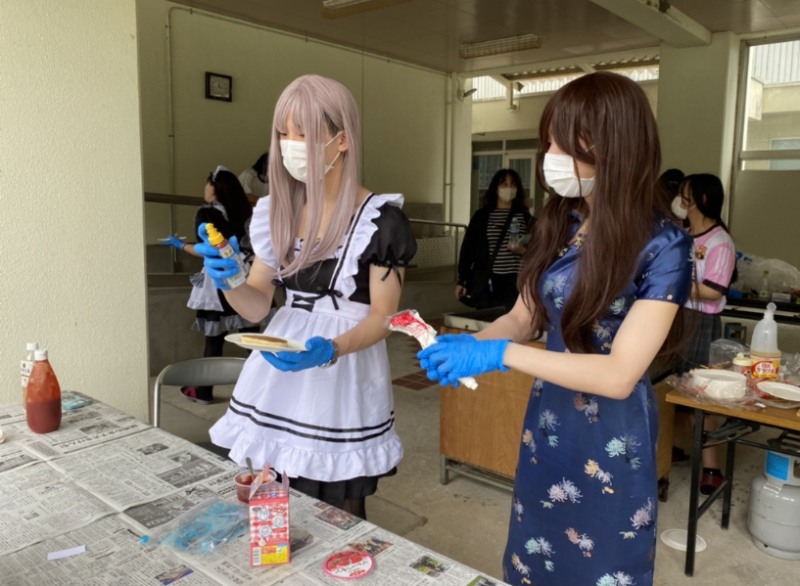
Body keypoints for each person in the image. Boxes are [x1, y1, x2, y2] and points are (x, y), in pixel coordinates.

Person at [418, 72, 693, 586]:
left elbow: (619, 375)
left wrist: (500, 355)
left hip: (612, 436)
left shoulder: (664, 246)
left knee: (602, 564)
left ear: (614, 146)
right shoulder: (561, 221)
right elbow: (523, 317)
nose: (550, 155)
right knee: (534, 559)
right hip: (549, 423)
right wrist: (470, 345)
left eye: (564, 143)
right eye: (549, 142)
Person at [194, 75, 416, 518]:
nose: (289, 145)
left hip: (345, 371)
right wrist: (231, 280)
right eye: (283, 133)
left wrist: (331, 349)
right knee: (273, 494)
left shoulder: (381, 221)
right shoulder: (276, 212)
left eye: (304, 134)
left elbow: (383, 316)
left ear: (342, 140)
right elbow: (258, 305)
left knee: (338, 503)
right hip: (279, 368)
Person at [162, 166, 268, 404]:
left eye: (207, 183)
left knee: (214, 340)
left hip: (220, 278)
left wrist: (181, 246)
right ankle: (266, 391)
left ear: (215, 188)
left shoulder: (207, 212)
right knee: (251, 339)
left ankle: (203, 391)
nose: (205, 188)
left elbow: (210, 250)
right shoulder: (247, 211)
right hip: (249, 277)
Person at [670, 173, 738, 495]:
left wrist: (673, 285)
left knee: (700, 393)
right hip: (675, 317)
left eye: (684, 194)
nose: (679, 200)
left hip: (700, 321)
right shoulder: (682, 235)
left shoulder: (720, 242)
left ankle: (711, 468)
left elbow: (713, 291)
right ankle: (675, 448)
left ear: (702, 200)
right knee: (673, 387)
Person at [456, 169, 534, 311]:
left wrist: (523, 251)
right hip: (489, 281)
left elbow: (539, 250)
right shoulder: (482, 216)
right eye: (504, 184)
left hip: (516, 283)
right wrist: (462, 280)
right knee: (488, 319)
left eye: (513, 184)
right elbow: (468, 249)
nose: (509, 188)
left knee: (513, 321)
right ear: (495, 188)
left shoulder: (525, 217)